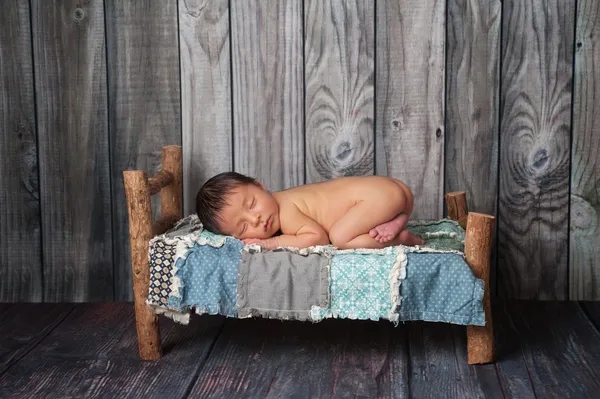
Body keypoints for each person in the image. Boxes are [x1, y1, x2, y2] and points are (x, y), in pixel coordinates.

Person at [195, 172, 426, 250]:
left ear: (260, 185)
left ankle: (400, 239)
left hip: (380, 197)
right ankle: (398, 217)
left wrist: (271, 243)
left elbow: (318, 238)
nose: (255, 219)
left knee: (339, 237)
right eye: (244, 227)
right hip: (392, 190)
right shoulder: (285, 197)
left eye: (252, 204)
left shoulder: (286, 212)